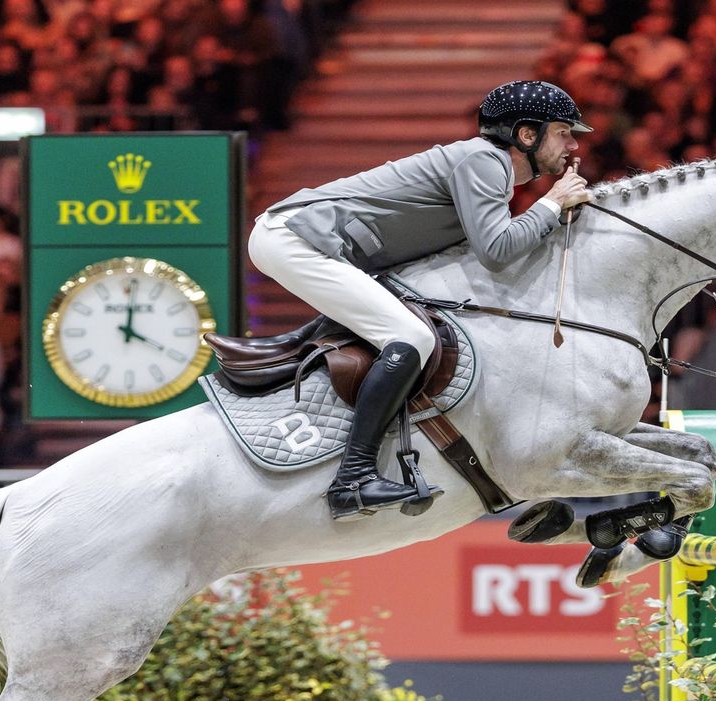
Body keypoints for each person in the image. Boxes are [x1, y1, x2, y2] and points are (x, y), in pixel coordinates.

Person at [250, 80, 593, 520]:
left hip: (304, 239)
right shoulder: (483, 161)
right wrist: (550, 205)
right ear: (527, 134)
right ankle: (352, 478)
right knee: (411, 336)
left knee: (409, 326)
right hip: (296, 238)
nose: (573, 143)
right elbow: (497, 252)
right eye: (564, 131)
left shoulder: (487, 168)